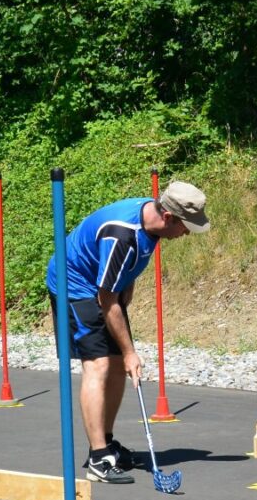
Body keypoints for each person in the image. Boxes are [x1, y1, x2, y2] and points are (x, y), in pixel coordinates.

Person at [47, 180, 210, 483]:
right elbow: (106, 299)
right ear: (168, 217)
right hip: (74, 286)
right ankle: (98, 458)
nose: (186, 233)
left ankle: (106, 443)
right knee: (99, 365)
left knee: (118, 367)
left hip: (103, 290)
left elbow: (123, 274)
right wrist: (130, 350)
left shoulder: (153, 223)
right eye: (185, 226)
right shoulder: (123, 235)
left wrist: (126, 336)